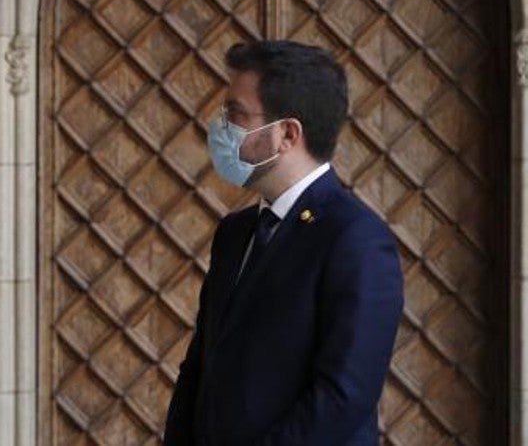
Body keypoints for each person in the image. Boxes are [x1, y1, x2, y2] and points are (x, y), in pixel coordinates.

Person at [164, 40, 403, 445]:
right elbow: (200, 368)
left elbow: (342, 399)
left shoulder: (357, 240)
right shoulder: (235, 233)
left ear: (287, 134)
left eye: (236, 115)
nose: (221, 127)